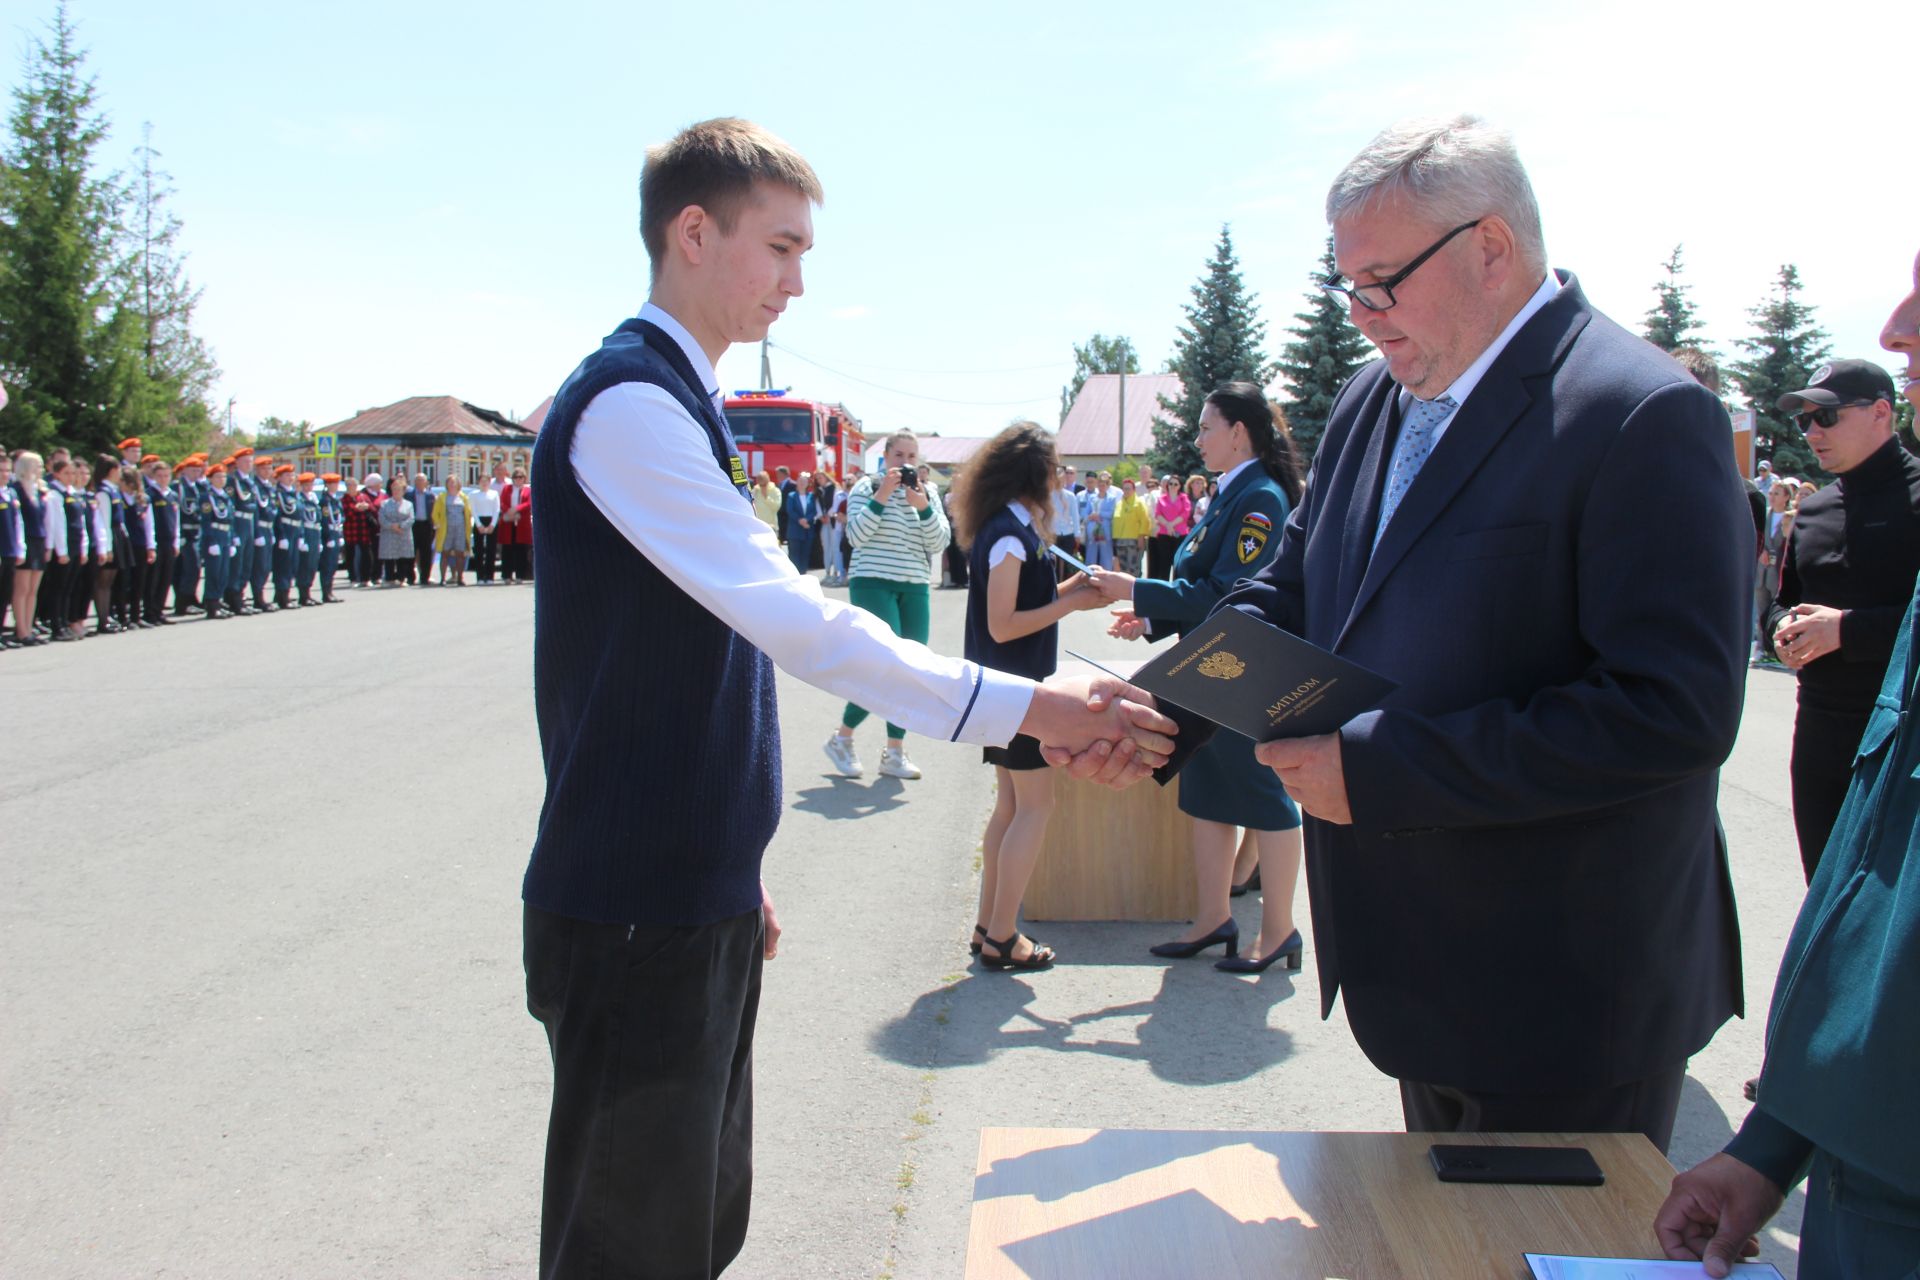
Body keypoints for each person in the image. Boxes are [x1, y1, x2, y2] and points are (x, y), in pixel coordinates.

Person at [520, 116, 1174, 1280]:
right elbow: (806, 625)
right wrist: (1038, 706)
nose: (798, 281)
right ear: (691, 233)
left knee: (690, 1230)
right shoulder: (628, 402)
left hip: (684, 890)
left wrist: (733, 864)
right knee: (631, 1248)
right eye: (779, 247)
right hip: (636, 906)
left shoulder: (677, 396)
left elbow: (697, 664)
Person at [1154, 115, 1749, 1153]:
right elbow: (1292, 591)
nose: (1360, 315)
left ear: (1490, 247)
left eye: (1381, 281)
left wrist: (1378, 770)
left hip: (1566, 997)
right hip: (1417, 979)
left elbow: (1672, 710)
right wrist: (1169, 705)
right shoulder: (1370, 398)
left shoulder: (1643, 413)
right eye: (1348, 286)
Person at [1654, 251, 1920, 1280]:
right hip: (1863, 1173)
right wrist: (1777, 1140)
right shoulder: (1809, 509)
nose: (1898, 326)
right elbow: (1869, 916)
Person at [1095, 384, 1308, 974]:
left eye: (1205, 427)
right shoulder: (1231, 494)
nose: (1197, 439)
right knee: (1209, 793)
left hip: (1243, 666)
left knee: (1265, 799)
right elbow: (1203, 582)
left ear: (1238, 432)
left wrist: (1133, 587)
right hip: (1208, 666)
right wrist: (1150, 616)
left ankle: (1280, 931)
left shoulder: (1260, 499)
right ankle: (1213, 918)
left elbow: (1231, 593)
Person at [955, 422, 1107, 969]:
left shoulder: (1011, 528)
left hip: (1006, 693)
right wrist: (1069, 605)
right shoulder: (1009, 536)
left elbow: (1023, 604)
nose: (1060, 476)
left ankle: (987, 928)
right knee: (1033, 809)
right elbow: (1004, 625)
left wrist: (1073, 591)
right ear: (1034, 474)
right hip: (1015, 694)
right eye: (1054, 467)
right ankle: (1001, 935)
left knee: (1012, 808)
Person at [1763, 359, 1920, 882]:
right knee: (1823, 890)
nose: (1810, 433)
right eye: (1805, 420)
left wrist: (1846, 630)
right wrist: (1781, 629)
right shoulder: (1813, 510)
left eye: (1826, 417)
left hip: (1901, 734)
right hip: (1819, 733)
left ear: (1881, 412)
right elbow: (1782, 602)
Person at [822, 429, 952, 781]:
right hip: (873, 581)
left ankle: (893, 751)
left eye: (912, 457)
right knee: (885, 663)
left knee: (911, 668)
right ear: (886, 458)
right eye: (899, 456)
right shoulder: (866, 487)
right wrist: (882, 495)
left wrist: (923, 506)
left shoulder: (929, 492)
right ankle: (844, 737)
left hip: (914, 584)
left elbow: (940, 540)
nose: (906, 464)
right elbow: (856, 536)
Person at [9, 451, 47, 646]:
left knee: (33, 589)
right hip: (26, 540)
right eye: (36, 465)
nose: (39, 469)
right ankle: (21, 629)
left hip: (39, 540)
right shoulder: (16, 489)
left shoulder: (39, 489)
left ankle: (29, 628)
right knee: (22, 588)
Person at [141, 459, 177, 627]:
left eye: (166, 475)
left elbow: (177, 520)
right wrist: (151, 545)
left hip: (169, 542)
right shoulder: (149, 495)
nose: (163, 479)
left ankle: (160, 610)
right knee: (153, 579)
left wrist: (176, 542)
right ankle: (150, 612)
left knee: (166, 578)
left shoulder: (172, 495)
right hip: (156, 542)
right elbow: (149, 523)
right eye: (160, 476)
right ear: (153, 476)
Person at [197, 463, 234, 620]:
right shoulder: (207, 497)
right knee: (213, 572)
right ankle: (211, 605)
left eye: (224, 476)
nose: (221, 479)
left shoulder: (225, 497)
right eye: (218, 476)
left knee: (223, 573)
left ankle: (218, 602)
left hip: (225, 535)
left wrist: (232, 541)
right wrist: (211, 542)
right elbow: (205, 521)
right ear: (210, 479)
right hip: (214, 535)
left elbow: (230, 520)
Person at [247, 453, 277, 611]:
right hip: (259, 527)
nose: (267, 471)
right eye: (263, 468)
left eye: (269, 468)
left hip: (268, 528)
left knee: (266, 566)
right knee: (258, 566)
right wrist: (257, 533)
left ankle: (261, 596)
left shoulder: (269, 487)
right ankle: (258, 598)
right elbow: (255, 511)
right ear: (257, 470)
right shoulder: (255, 487)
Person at [433, 474, 474, 586]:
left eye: (454, 482)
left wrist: (469, 525)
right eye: (450, 482)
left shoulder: (463, 497)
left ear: (458, 484)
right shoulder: (442, 497)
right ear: (446, 484)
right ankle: (443, 579)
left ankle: (460, 578)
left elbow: (468, 512)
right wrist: (437, 524)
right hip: (446, 529)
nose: (452, 484)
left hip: (460, 529)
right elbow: (435, 513)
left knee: (460, 554)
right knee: (445, 553)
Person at [1148, 474, 1189, 581]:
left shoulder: (1184, 498)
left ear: (1180, 486)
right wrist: (1167, 525)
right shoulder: (1162, 498)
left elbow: (1185, 513)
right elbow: (1158, 514)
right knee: (1164, 563)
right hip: (1163, 535)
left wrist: (1171, 525)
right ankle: (1164, 589)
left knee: (1178, 563)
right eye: (1170, 483)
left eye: (1176, 484)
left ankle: (1176, 588)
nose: (1173, 486)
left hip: (1179, 534)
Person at [1109, 475, 1150, 575]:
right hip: (1120, 541)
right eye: (1124, 488)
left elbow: (1145, 520)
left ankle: (1136, 589)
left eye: (1128, 488)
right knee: (1123, 568)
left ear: (1134, 490)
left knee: (1134, 568)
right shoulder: (1119, 504)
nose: (1126, 491)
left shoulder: (1139, 503)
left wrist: (1141, 537)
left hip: (1134, 540)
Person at [498, 466, 532, 582]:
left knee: (521, 550)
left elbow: (528, 503)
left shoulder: (528, 490)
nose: (518, 479)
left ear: (524, 478)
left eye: (521, 477)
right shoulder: (507, 489)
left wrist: (517, 509)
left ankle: (520, 575)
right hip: (508, 523)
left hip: (521, 522)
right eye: (516, 477)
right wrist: (509, 511)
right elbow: (502, 502)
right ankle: (507, 575)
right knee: (507, 549)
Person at [345, 474, 380, 587]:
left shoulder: (363, 497)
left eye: (354, 485)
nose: (352, 488)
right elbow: (344, 513)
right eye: (350, 485)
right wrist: (355, 508)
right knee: (351, 555)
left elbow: (373, 509)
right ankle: (353, 579)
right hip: (351, 531)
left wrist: (366, 507)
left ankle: (366, 578)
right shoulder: (344, 498)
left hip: (364, 530)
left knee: (367, 555)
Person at [377, 476, 413, 586]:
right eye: (394, 489)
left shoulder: (408, 504)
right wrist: (392, 526)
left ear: (403, 491)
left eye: (399, 489)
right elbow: (381, 518)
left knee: (402, 557)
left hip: (403, 534)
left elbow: (411, 518)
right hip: (389, 533)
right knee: (389, 557)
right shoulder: (384, 503)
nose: (396, 491)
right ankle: (389, 579)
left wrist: (401, 526)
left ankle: (401, 579)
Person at [1050, 464, 1082, 582]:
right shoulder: (1048, 495)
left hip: (1068, 533)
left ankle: (1064, 583)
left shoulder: (1070, 495)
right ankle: (1055, 583)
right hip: (1053, 533)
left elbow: (1075, 515)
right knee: (1054, 561)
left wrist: (1077, 534)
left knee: (1066, 561)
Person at [782, 470, 818, 574]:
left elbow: (813, 511)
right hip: (795, 531)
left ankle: (803, 574)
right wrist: (800, 520)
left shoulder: (811, 496)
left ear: (808, 483)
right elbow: (790, 510)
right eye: (800, 481)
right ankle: (794, 575)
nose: (802, 483)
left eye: (804, 481)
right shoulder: (791, 496)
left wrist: (807, 520)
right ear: (797, 482)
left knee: (805, 555)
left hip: (807, 530)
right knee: (794, 555)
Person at [405, 472, 437, 586]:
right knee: (411, 552)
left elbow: (434, 511)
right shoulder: (408, 495)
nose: (420, 483)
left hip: (426, 525)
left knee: (426, 553)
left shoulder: (430, 496)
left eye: (422, 480)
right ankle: (410, 577)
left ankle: (424, 577)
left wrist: (435, 526)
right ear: (414, 482)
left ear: (426, 482)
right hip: (413, 525)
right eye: (417, 480)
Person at [1079, 470, 1116, 570]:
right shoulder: (1092, 497)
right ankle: (1089, 576)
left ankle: (1107, 578)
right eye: (1100, 485)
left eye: (1103, 485)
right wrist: (1091, 516)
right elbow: (1085, 513)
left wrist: (1098, 514)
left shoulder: (1112, 498)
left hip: (1105, 531)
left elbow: (1111, 513)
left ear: (1108, 486)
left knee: (1106, 557)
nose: (1101, 487)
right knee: (1091, 556)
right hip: (1092, 530)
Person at [468, 474, 500, 584]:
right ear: (478, 482)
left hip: (491, 521)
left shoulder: (494, 494)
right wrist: (479, 525)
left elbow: (496, 510)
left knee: (491, 550)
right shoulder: (473, 494)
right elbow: (473, 510)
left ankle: (490, 576)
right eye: (482, 481)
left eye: (486, 481)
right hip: (479, 522)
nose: (484, 483)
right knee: (479, 550)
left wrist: (492, 525)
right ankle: (480, 577)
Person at [318, 474, 345, 602]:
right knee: (327, 565)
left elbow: (341, 517)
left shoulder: (336, 500)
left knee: (333, 565)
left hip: (335, 533)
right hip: (328, 535)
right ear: (327, 485)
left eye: (336, 483)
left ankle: (330, 591)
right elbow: (324, 519)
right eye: (332, 484)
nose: (335, 486)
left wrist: (339, 535)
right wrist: (328, 537)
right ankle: (326, 592)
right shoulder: (325, 501)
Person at [818, 472, 847, 587]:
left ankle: (836, 572)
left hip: (834, 523)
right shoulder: (819, 490)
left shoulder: (834, 488)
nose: (819, 480)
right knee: (827, 548)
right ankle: (828, 572)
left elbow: (834, 506)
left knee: (835, 548)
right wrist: (821, 516)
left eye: (820, 477)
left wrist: (828, 515)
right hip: (825, 523)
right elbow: (818, 505)